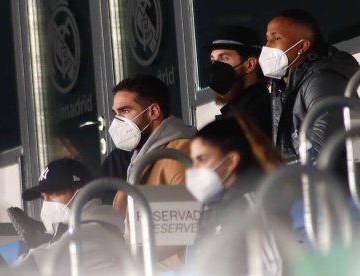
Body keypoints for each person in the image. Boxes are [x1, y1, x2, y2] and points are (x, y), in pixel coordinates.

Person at [185, 113, 282, 275]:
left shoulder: (255, 205)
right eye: (193, 160)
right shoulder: (213, 208)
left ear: (231, 161)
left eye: (202, 159)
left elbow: (275, 268)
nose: (194, 169)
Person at [258, 9, 360, 163]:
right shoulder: (281, 83)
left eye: (276, 38)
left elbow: (322, 149)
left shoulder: (322, 80)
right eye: (267, 39)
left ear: (302, 46)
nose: (268, 46)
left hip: (334, 181)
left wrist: (291, 182)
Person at [3, 158, 126, 275]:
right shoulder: (86, 227)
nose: (47, 203)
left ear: (82, 192)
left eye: (54, 193)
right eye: (43, 198)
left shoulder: (95, 232)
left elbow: (38, 266)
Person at [110, 74, 197, 218]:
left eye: (125, 111)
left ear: (153, 112)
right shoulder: (137, 161)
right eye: (116, 113)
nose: (118, 121)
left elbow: (187, 223)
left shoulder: (180, 153)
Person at [208, 25, 272, 139]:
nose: (216, 67)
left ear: (250, 65)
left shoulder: (260, 111)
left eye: (224, 58)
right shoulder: (235, 110)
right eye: (213, 60)